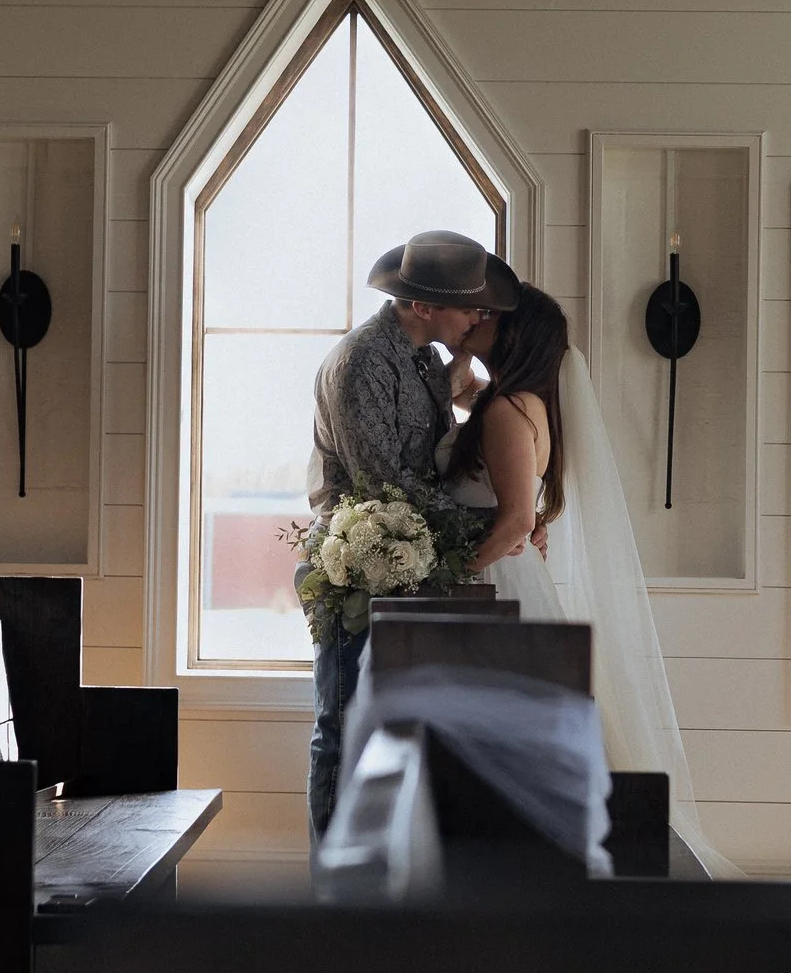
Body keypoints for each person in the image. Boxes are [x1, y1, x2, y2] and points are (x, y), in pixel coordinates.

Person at [438, 283, 737, 876]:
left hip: (502, 587)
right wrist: (465, 350)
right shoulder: (523, 402)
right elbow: (456, 394)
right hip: (518, 577)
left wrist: (450, 577)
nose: (480, 318)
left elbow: (519, 519)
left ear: (515, 333)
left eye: (492, 318)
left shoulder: (506, 411)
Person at [304, 229, 517, 845]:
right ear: (423, 306)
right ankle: (329, 902)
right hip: (354, 570)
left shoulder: (425, 360)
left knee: (395, 731)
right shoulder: (361, 363)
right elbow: (385, 485)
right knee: (341, 726)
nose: (478, 315)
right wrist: (498, 524)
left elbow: (435, 452)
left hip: (406, 566)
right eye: (467, 304)